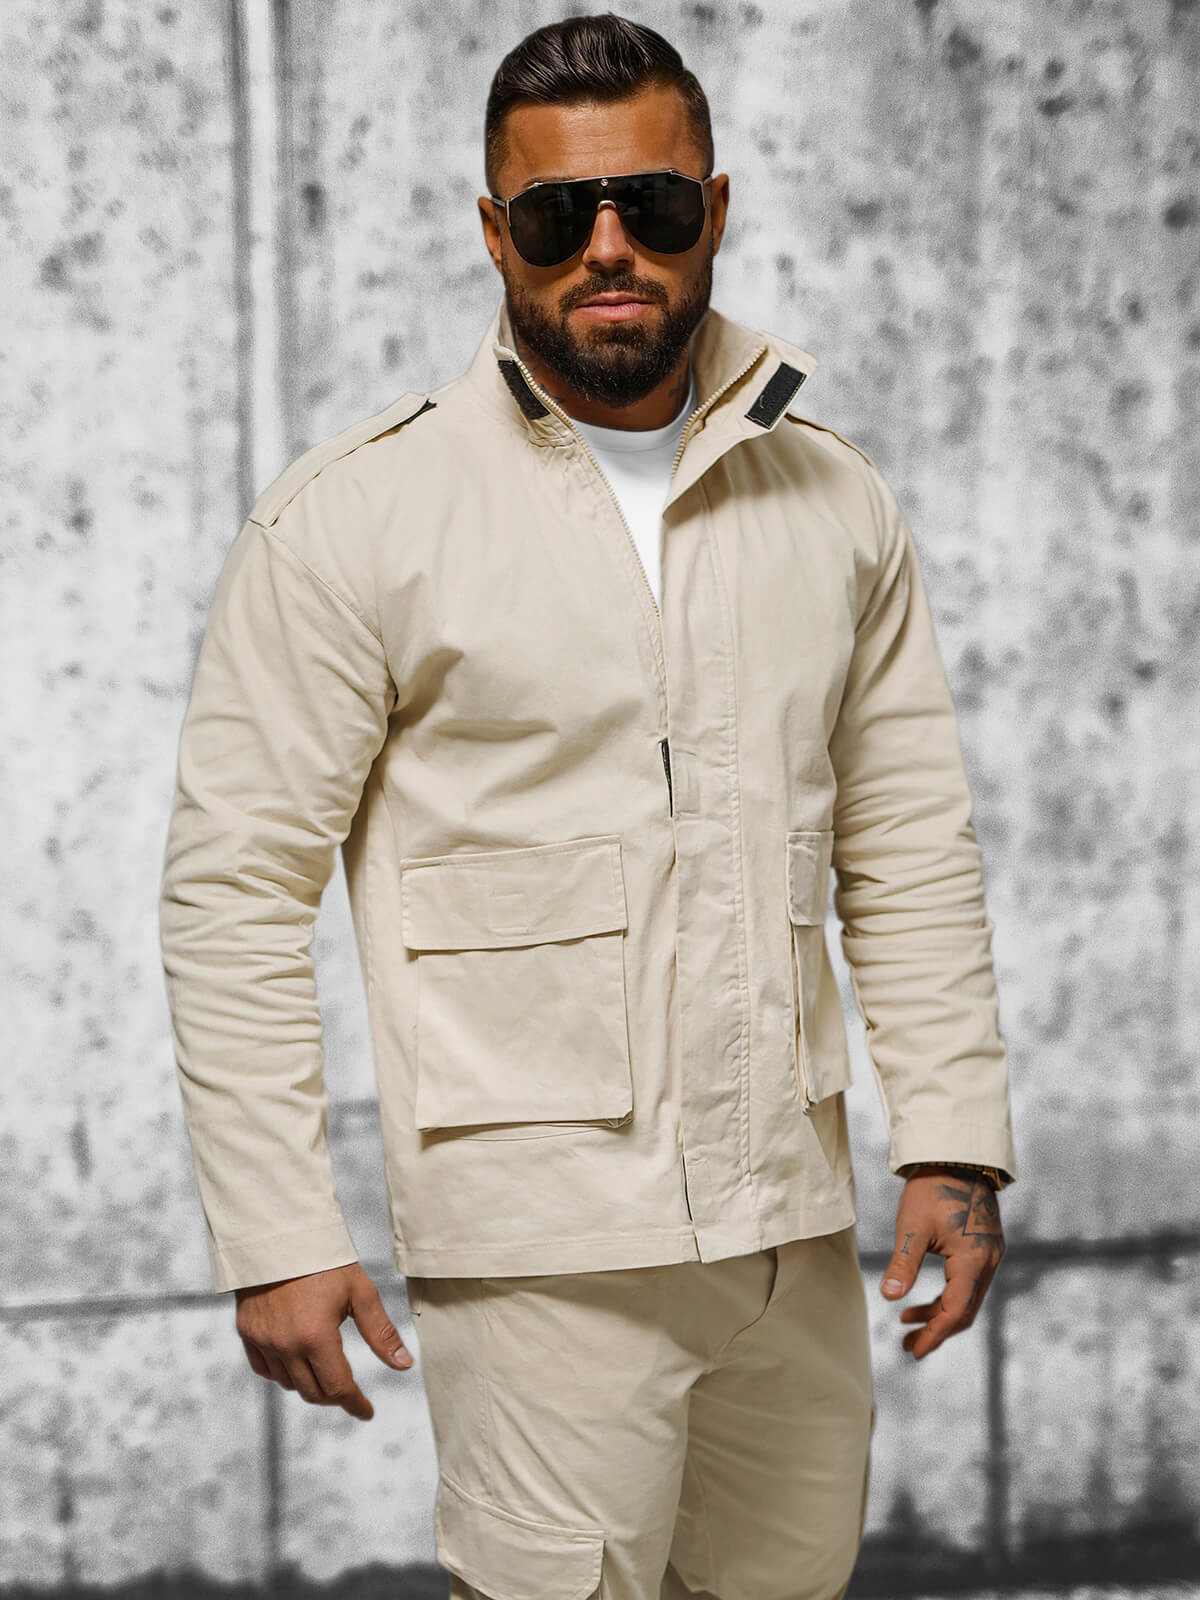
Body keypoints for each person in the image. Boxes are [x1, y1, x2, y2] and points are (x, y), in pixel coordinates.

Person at [158, 13, 1017, 1599]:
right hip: (536, 1246)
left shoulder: (832, 496)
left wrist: (954, 1142)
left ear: (716, 208)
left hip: (787, 1228)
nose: (609, 247)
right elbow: (235, 891)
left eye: (654, 204)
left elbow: (907, 844)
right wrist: (277, 1230)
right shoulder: (358, 519)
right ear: (496, 233)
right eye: (559, 215)